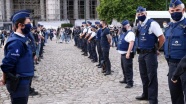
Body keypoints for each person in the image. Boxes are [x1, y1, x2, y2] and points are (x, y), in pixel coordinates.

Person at [0, 10, 34, 104]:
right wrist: (4, 79)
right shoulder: (16, 42)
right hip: (19, 82)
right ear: (20, 25)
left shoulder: (22, 39)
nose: (30, 25)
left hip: (24, 81)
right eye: (28, 23)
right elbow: (7, 64)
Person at [135, 6, 165, 104]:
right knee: (143, 75)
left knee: (151, 77)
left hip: (150, 54)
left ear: (146, 13)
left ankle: (153, 99)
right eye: (138, 14)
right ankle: (146, 94)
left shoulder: (152, 24)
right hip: (141, 54)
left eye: (142, 13)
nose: (140, 15)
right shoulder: (139, 25)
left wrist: (156, 49)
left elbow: (162, 38)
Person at [164, 0, 186, 103]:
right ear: (169, 11)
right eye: (172, 10)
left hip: (185, 66)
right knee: (175, 96)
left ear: (184, 10)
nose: (174, 12)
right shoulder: (168, 27)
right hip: (172, 65)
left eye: (177, 10)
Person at [118, 20, 135, 88]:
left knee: (128, 68)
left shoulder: (130, 33)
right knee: (124, 67)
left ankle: (130, 82)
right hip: (123, 54)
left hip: (127, 54)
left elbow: (131, 43)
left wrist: (128, 53)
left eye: (123, 26)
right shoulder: (125, 33)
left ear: (127, 26)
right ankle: (125, 79)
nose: (122, 27)